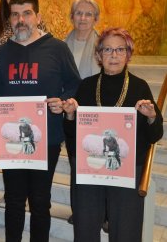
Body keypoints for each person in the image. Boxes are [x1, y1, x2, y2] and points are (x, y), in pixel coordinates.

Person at [0, 0, 81, 242]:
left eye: (27, 13)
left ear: (37, 16)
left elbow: (74, 85)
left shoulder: (57, 48)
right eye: (15, 14)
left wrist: (65, 102)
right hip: (12, 140)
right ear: (10, 19)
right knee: (14, 201)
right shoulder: (4, 53)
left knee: (40, 201)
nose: (21, 20)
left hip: (46, 138)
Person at [62, 27, 164, 242]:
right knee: (85, 230)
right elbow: (73, 139)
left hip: (127, 171)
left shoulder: (139, 87)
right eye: (108, 49)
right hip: (90, 170)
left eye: (120, 49)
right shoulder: (87, 86)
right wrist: (70, 116)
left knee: (125, 232)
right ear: (99, 55)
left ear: (128, 54)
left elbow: (155, 136)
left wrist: (151, 116)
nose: (114, 55)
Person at [64, 0, 101, 225]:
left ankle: (102, 212)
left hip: (95, 113)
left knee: (96, 163)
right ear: (72, 16)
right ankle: (79, 210)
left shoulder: (103, 44)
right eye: (79, 13)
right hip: (69, 113)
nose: (83, 18)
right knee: (75, 162)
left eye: (88, 14)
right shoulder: (61, 44)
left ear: (95, 18)